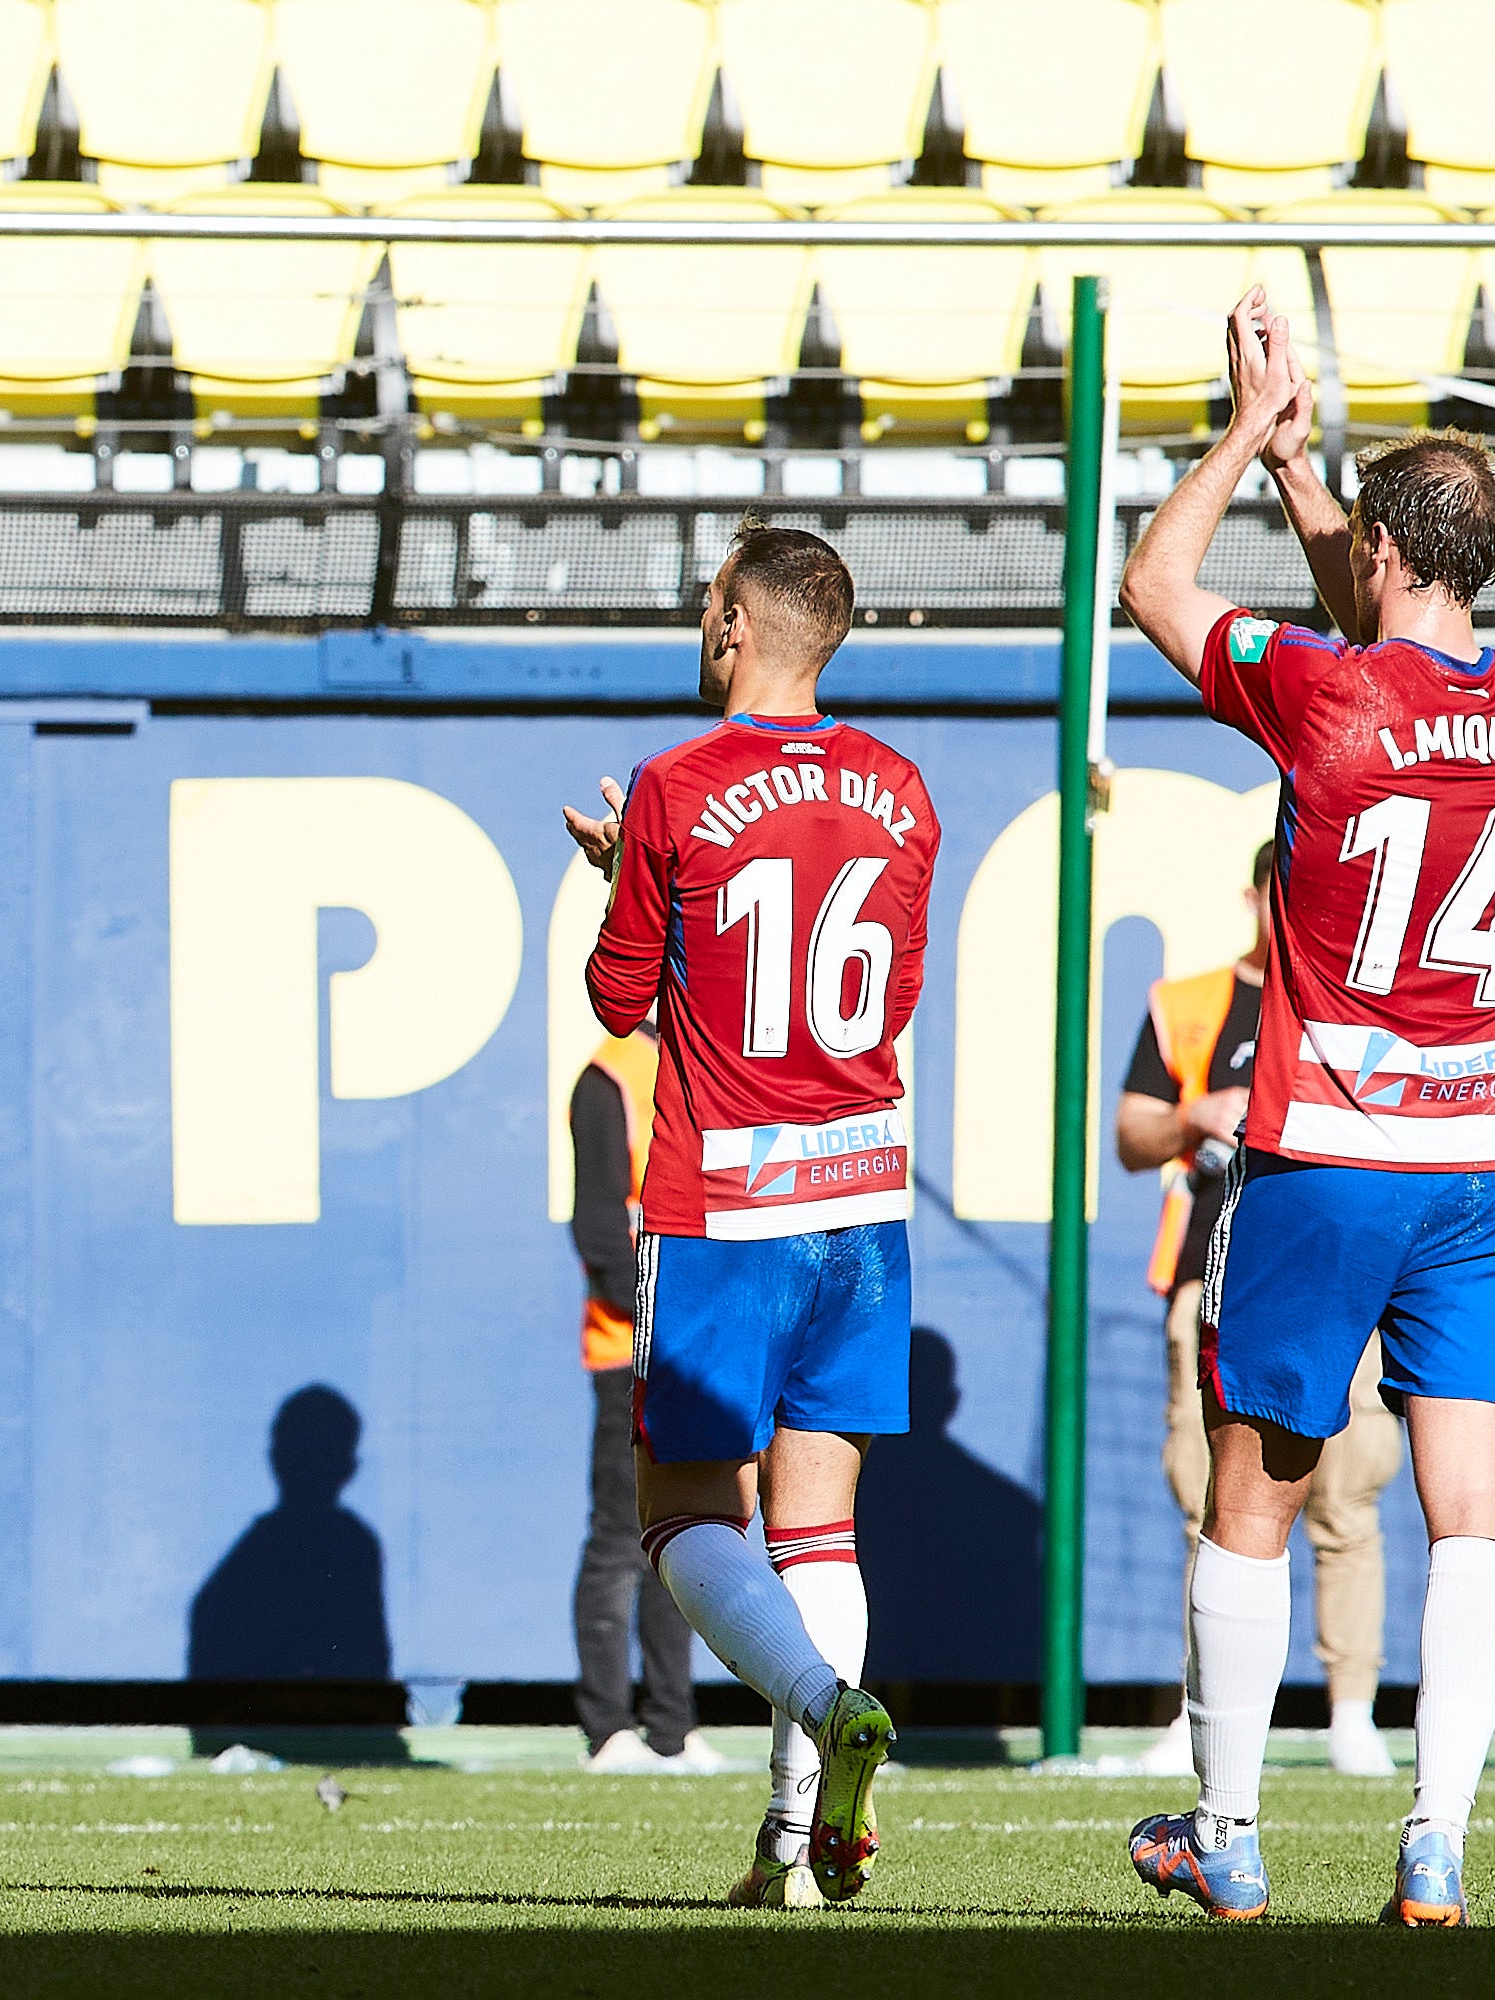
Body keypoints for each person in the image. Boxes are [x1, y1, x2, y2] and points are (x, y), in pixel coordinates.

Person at [1119, 287, 1495, 1928]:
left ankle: (1226, 1831)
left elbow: (1152, 585)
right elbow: (1389, 631)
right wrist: (1326, 485)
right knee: (1474, 1508)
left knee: (1258, 1486)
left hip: (1336, 1148)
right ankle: (1436, 1838)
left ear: (1379, 556)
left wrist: (1246, 435)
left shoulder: (1324, 695)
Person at [565, 523, 938, 1907]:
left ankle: (827, 1711)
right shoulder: (903, 789)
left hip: (728, 1201)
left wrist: (624, 875)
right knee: (821, 1528)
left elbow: (618, 1002)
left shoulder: (676, 784)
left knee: (678, 1519)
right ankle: (792, 1844)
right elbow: (888, 1003)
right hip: (864, 1199)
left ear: (732, 625)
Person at [1116, 841, 1402, 1782]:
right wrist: (1195, 1117)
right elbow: (1129, 1133)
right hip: (1213, 1275)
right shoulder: (1195, 1002)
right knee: (1210, 1499)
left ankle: (1350, 1710)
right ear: (1256, 893)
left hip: (1335, 1277)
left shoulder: (1358, 996)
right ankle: (1199, 1719)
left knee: (1345, 1494)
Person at [563, 1022, 718, 1775]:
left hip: (694, 1354)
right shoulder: (610, 1079)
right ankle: (606, 1729)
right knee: (620, 1538)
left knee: (685, 1535)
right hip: (630, 1351)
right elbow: (597, 1235)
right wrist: (666, 1311)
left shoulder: (709, 1065)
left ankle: (671, 1729)